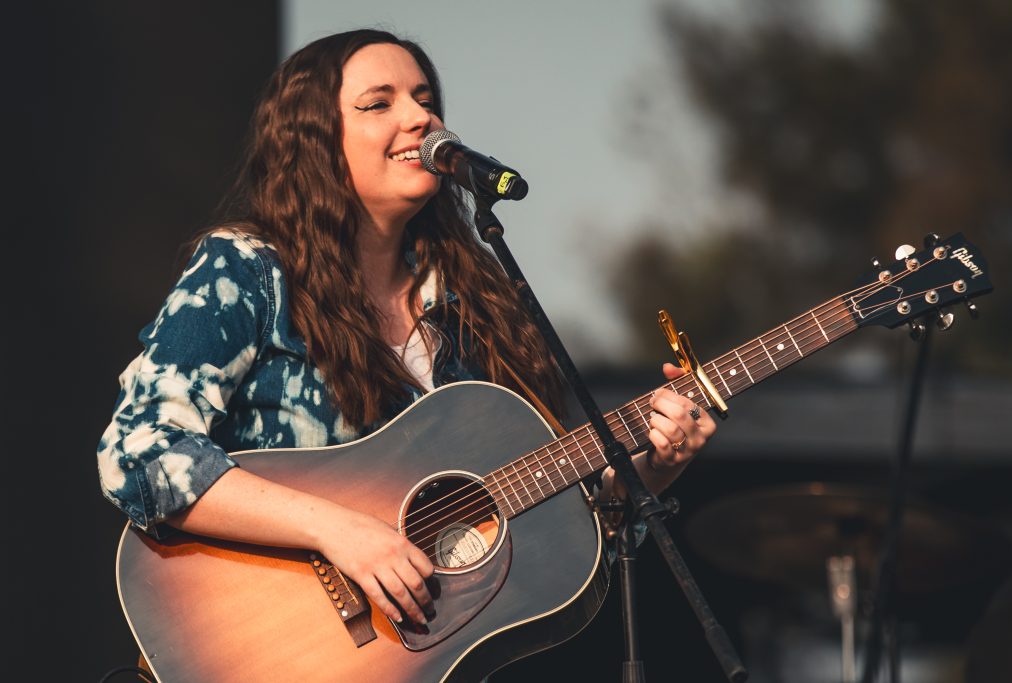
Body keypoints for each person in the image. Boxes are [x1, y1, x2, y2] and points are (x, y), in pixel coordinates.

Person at [96, 28, 714, 644]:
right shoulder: (251, 269)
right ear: (313, 142)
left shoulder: (474, 308)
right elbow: (138, 452)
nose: (420, 117)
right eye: (379, 102)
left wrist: (646, 474)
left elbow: (548, 550)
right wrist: (338, 529)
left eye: (424, 98)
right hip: (269, 641)